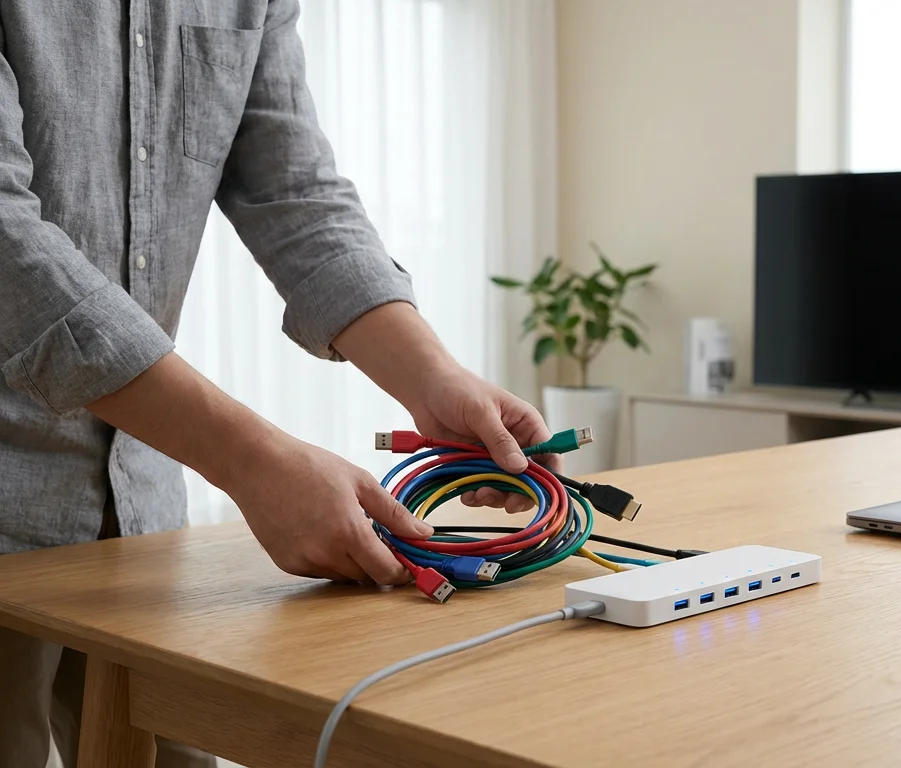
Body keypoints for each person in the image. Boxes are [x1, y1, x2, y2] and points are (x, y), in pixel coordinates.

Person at [0, 2, 554, 766]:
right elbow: (8, 246)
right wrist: (254, 462)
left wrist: (436, 381)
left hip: (139, 498)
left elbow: (298, 193)